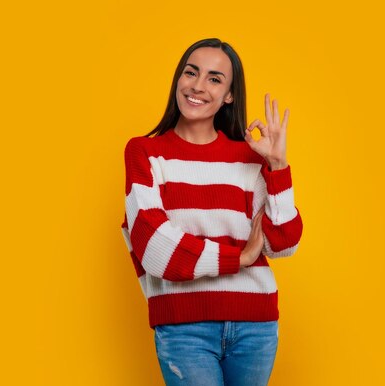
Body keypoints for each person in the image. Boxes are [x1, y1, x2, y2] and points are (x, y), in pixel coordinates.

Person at [120, 38, 303, 386]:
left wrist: (277, 165)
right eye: (191, 73)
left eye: (215, 79)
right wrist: (241, 257)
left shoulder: (249, 158)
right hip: (183, 327)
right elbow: (157, 250)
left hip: (256, 326)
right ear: (179, 79)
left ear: (229, 95)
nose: (198, 86)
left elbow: (283, 243)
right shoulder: (145, 153)